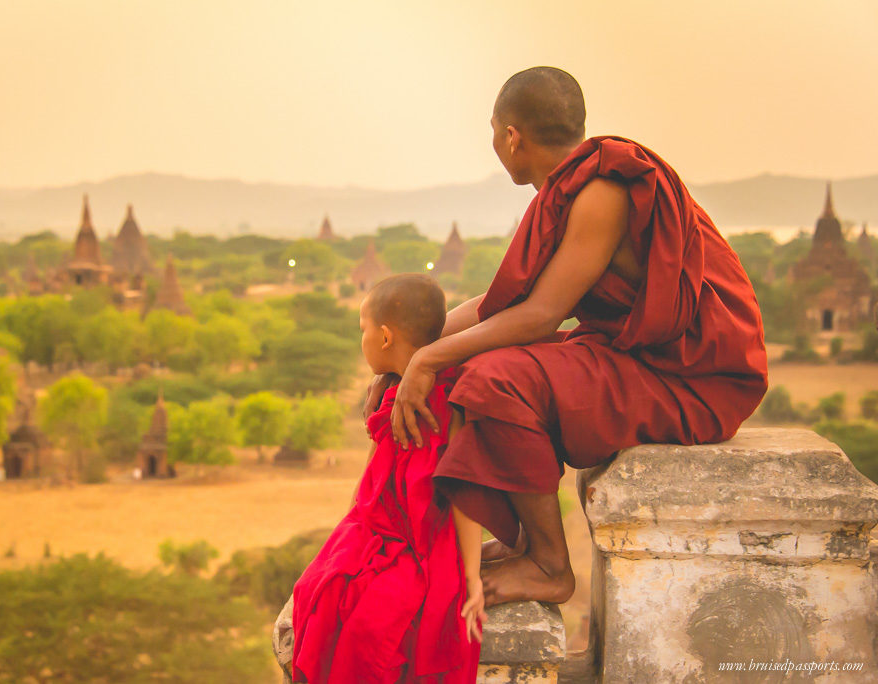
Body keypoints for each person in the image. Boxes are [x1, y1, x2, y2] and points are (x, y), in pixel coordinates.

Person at [362, 66, 768, 607]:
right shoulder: (566, 193)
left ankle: (551, 565)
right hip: (642, 358)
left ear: (511, 136)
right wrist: (408, 360)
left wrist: (425, 361)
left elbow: (541, 316)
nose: (495, 144)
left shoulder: (602, 189)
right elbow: (497, 304)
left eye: (493, 132)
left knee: (496, 379)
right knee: (466, 368)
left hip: (692, 378)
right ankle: (524, 541)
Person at [291, 273, 484, 684]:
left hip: (425, 544)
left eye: (362, 331)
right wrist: (348, 536)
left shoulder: (451, 401)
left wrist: (472, 576)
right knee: (317, 592)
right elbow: (372, 482)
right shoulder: (390, 395)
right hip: (374, 530)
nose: (360, 342)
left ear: (383, 338)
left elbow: (464, 489)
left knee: (373, 626)